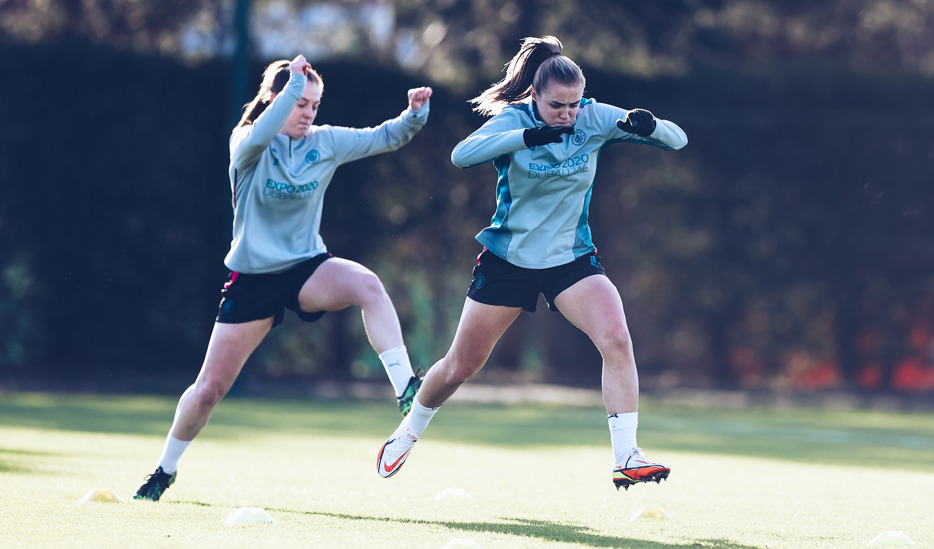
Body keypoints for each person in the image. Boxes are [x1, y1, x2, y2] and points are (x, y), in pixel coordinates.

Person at [375, 36, 687, 490]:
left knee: (616, 338)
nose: (567, 114)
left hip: (571, 260)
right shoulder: (513, 119)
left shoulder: (594, 117)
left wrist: (648, 124)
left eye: (574, 105)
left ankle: (626, 456)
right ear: (535, 97)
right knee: (461, 366)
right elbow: (460, 156)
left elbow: (677, 140)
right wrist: (526, 136)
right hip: (508, 261)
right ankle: (406, 433)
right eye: (557, 105)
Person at [133, 55, 433, 501]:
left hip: (306, 267)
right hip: (253, 278)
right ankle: (165, 468)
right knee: (209, 389)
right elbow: (263, 126)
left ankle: (406, 388)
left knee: (368, 285)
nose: (308, 112)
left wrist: (414, 114)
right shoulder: (247, 143)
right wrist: (291, 86)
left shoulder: (324, 142)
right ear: (276, 99)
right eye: (300, 103)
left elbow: (384, 137)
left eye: (314, 104)